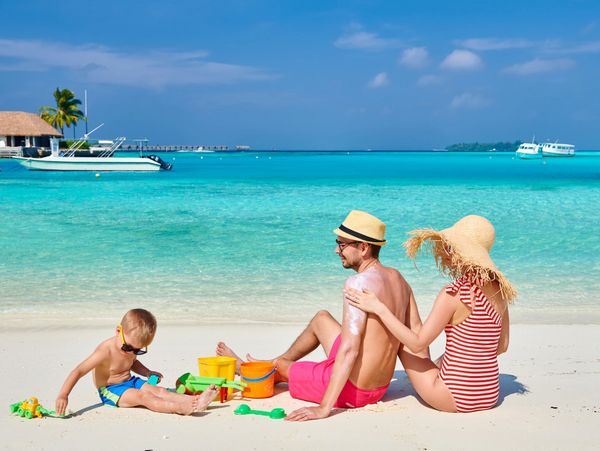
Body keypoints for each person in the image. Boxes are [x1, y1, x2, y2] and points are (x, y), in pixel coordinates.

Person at [217, 210, 420, 421]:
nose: (336, 250)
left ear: (364, 247)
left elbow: (350, 349)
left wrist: (324, 408)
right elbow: (417, 336)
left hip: (353, 390)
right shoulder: (399, 279)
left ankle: (249, 368)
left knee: (280, 369)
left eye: (342, 245)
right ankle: (274, 361)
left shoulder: (357, 284)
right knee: (321, 318)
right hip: (379, 386)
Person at [345, 215, 516, 413]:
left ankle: (369, 384)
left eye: (448, 247)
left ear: (459, 252)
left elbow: (418, 343)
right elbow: (501, 347)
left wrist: (379, 308)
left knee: (404, 343)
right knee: (433, 354)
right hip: (489, 394)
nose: (443, 252)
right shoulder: (500, 291)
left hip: (454, 397)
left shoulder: (453, 293)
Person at [55, 308, 218, 416]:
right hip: (112, 390)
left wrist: (147, 372)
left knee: (160, 391)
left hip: (131, 381)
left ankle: (195, 401)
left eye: (138, 350)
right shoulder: (105, 351)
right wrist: (63, 395)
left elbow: (132, 363)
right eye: (128, 347)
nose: (132, 353)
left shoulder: (129, 349)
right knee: (144, 397)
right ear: (118, 331)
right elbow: (79, 371)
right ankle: (179, 408)